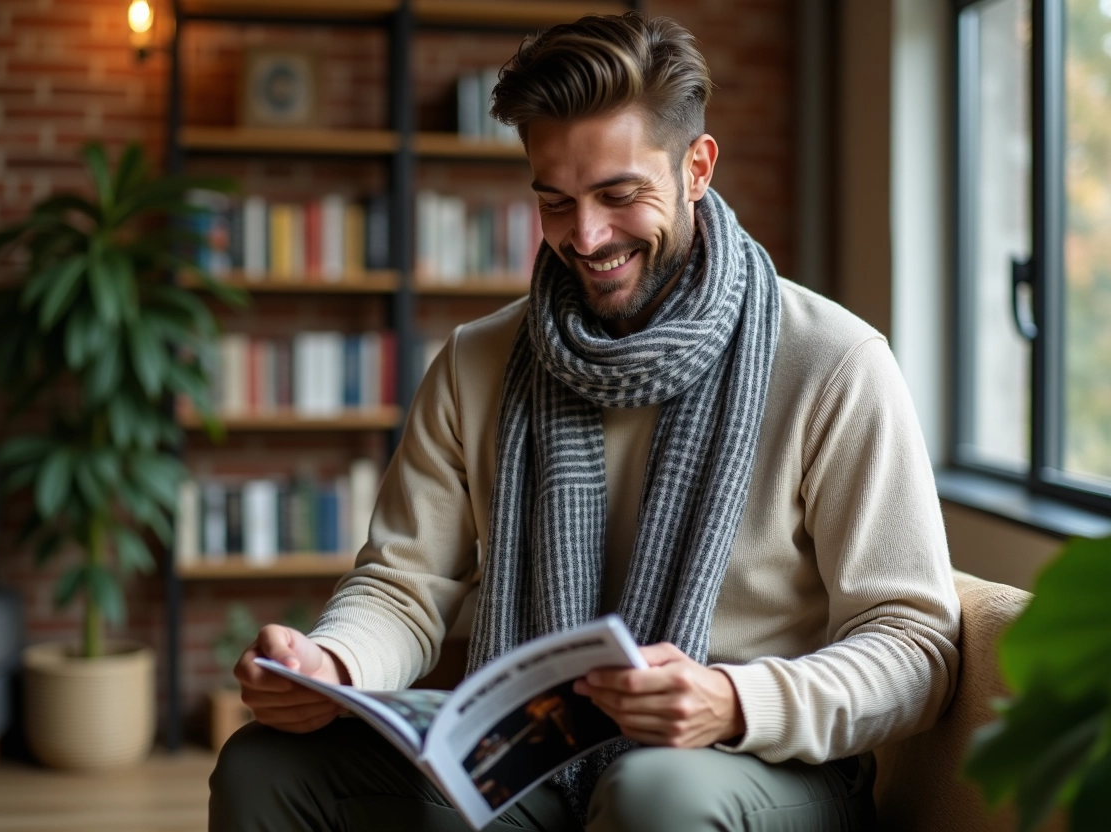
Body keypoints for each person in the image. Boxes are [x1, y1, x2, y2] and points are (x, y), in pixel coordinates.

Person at [209, 12, 960, 832]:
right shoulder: (477, 362)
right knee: (264, 765)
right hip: (535, 753)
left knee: (651, 793)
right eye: (556, 202)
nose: (588, 237)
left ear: (697, 168)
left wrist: (736, 700)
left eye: (619, 195)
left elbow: (916, 646)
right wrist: (334, 661)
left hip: (757, 763)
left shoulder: (835, 363)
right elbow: (404, 588)